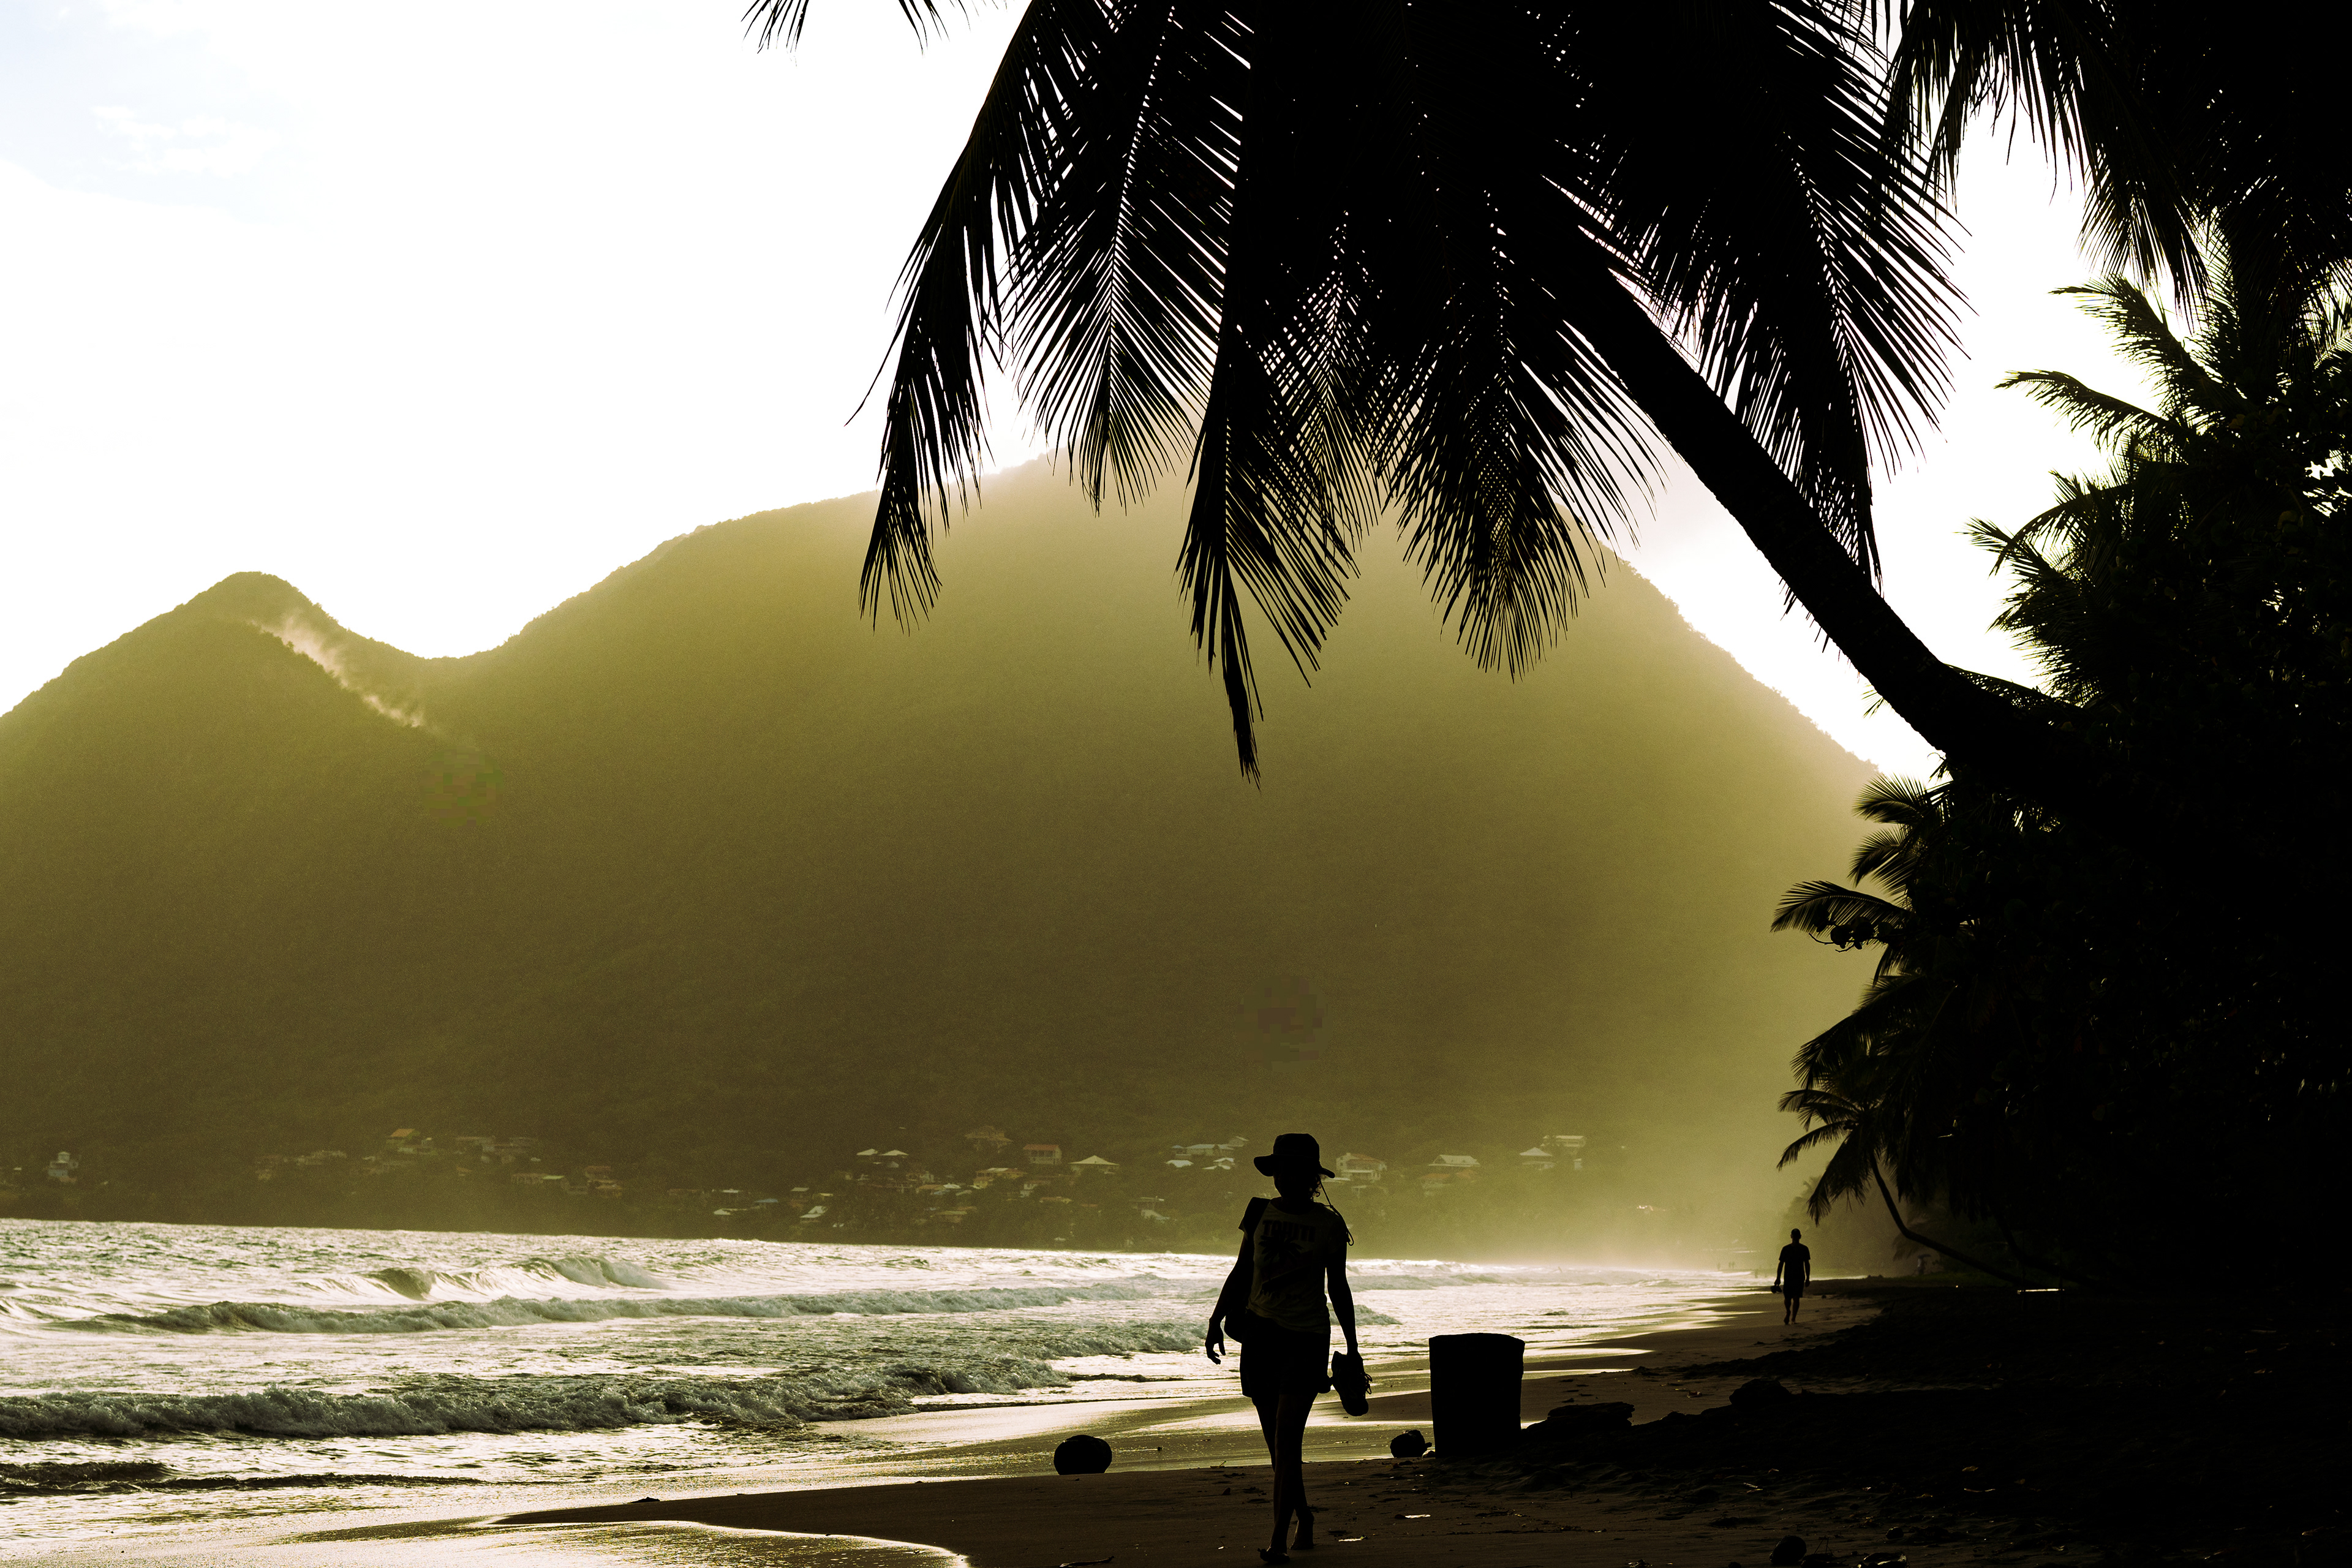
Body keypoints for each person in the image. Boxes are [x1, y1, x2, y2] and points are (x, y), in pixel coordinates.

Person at [1205, 1132, 1360, 1565]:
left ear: (1312, 1178)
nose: (1285, 1178)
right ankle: (1304, 1516)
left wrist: (1353, 1346)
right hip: (1260, 1336)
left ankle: (1277, 1539)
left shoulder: (1329, 1225)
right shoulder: (1258, 1212)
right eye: (1280, 1170)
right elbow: (1242, 1270)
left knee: (1288, 1438)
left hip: (1307, 1339)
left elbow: (1339, 1288)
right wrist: (1215, 1320)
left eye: (1295, 1171)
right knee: (1279, 1447)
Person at [1773, 1227, 1811, 1324]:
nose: (1795, 1238)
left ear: (1800, 1237)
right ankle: (1788, 1312)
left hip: (1799, 1277)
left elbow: (1807, 1264)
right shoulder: (1786, 1249)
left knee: (1796, 1297)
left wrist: (1808, 1278)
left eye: (1796, 1236)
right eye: (1794, 1236)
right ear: (1791, 1237)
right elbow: (1781, 1264)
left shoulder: (1804, 1249)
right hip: (1788, 1277)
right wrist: (1778, 1278)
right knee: (1787, 1298)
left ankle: (1793, 1318)